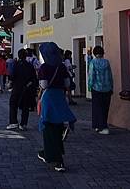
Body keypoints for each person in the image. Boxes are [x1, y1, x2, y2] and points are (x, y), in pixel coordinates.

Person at [37, 42, 76, 172]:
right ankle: (53, 154)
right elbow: (67, 83)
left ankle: (54, 158)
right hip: (60, 98)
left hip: (49, 98)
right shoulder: (62, 66)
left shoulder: (44, 67)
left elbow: (44, 85)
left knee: (48, 127)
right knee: (57, 126)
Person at [7, 49, 37, 131]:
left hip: (17, 88)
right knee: (25, 107)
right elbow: (34, 78)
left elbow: (12, 75)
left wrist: (10, 83)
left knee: (13, 104)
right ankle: (23, 124)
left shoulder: (16, 64)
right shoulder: (29, 65)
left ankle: (13, 122)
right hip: (26, 89)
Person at [88, 46, 113, 134]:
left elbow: (91, 75)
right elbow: (110, 75)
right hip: (107, 88)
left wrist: (89, 86)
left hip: (96, 88)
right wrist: (111, 86)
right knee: (105, 108)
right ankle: (103, 125)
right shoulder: (106, 62)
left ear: (94, 53)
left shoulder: (93, 62)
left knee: (97, 108)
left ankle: (100, 126)